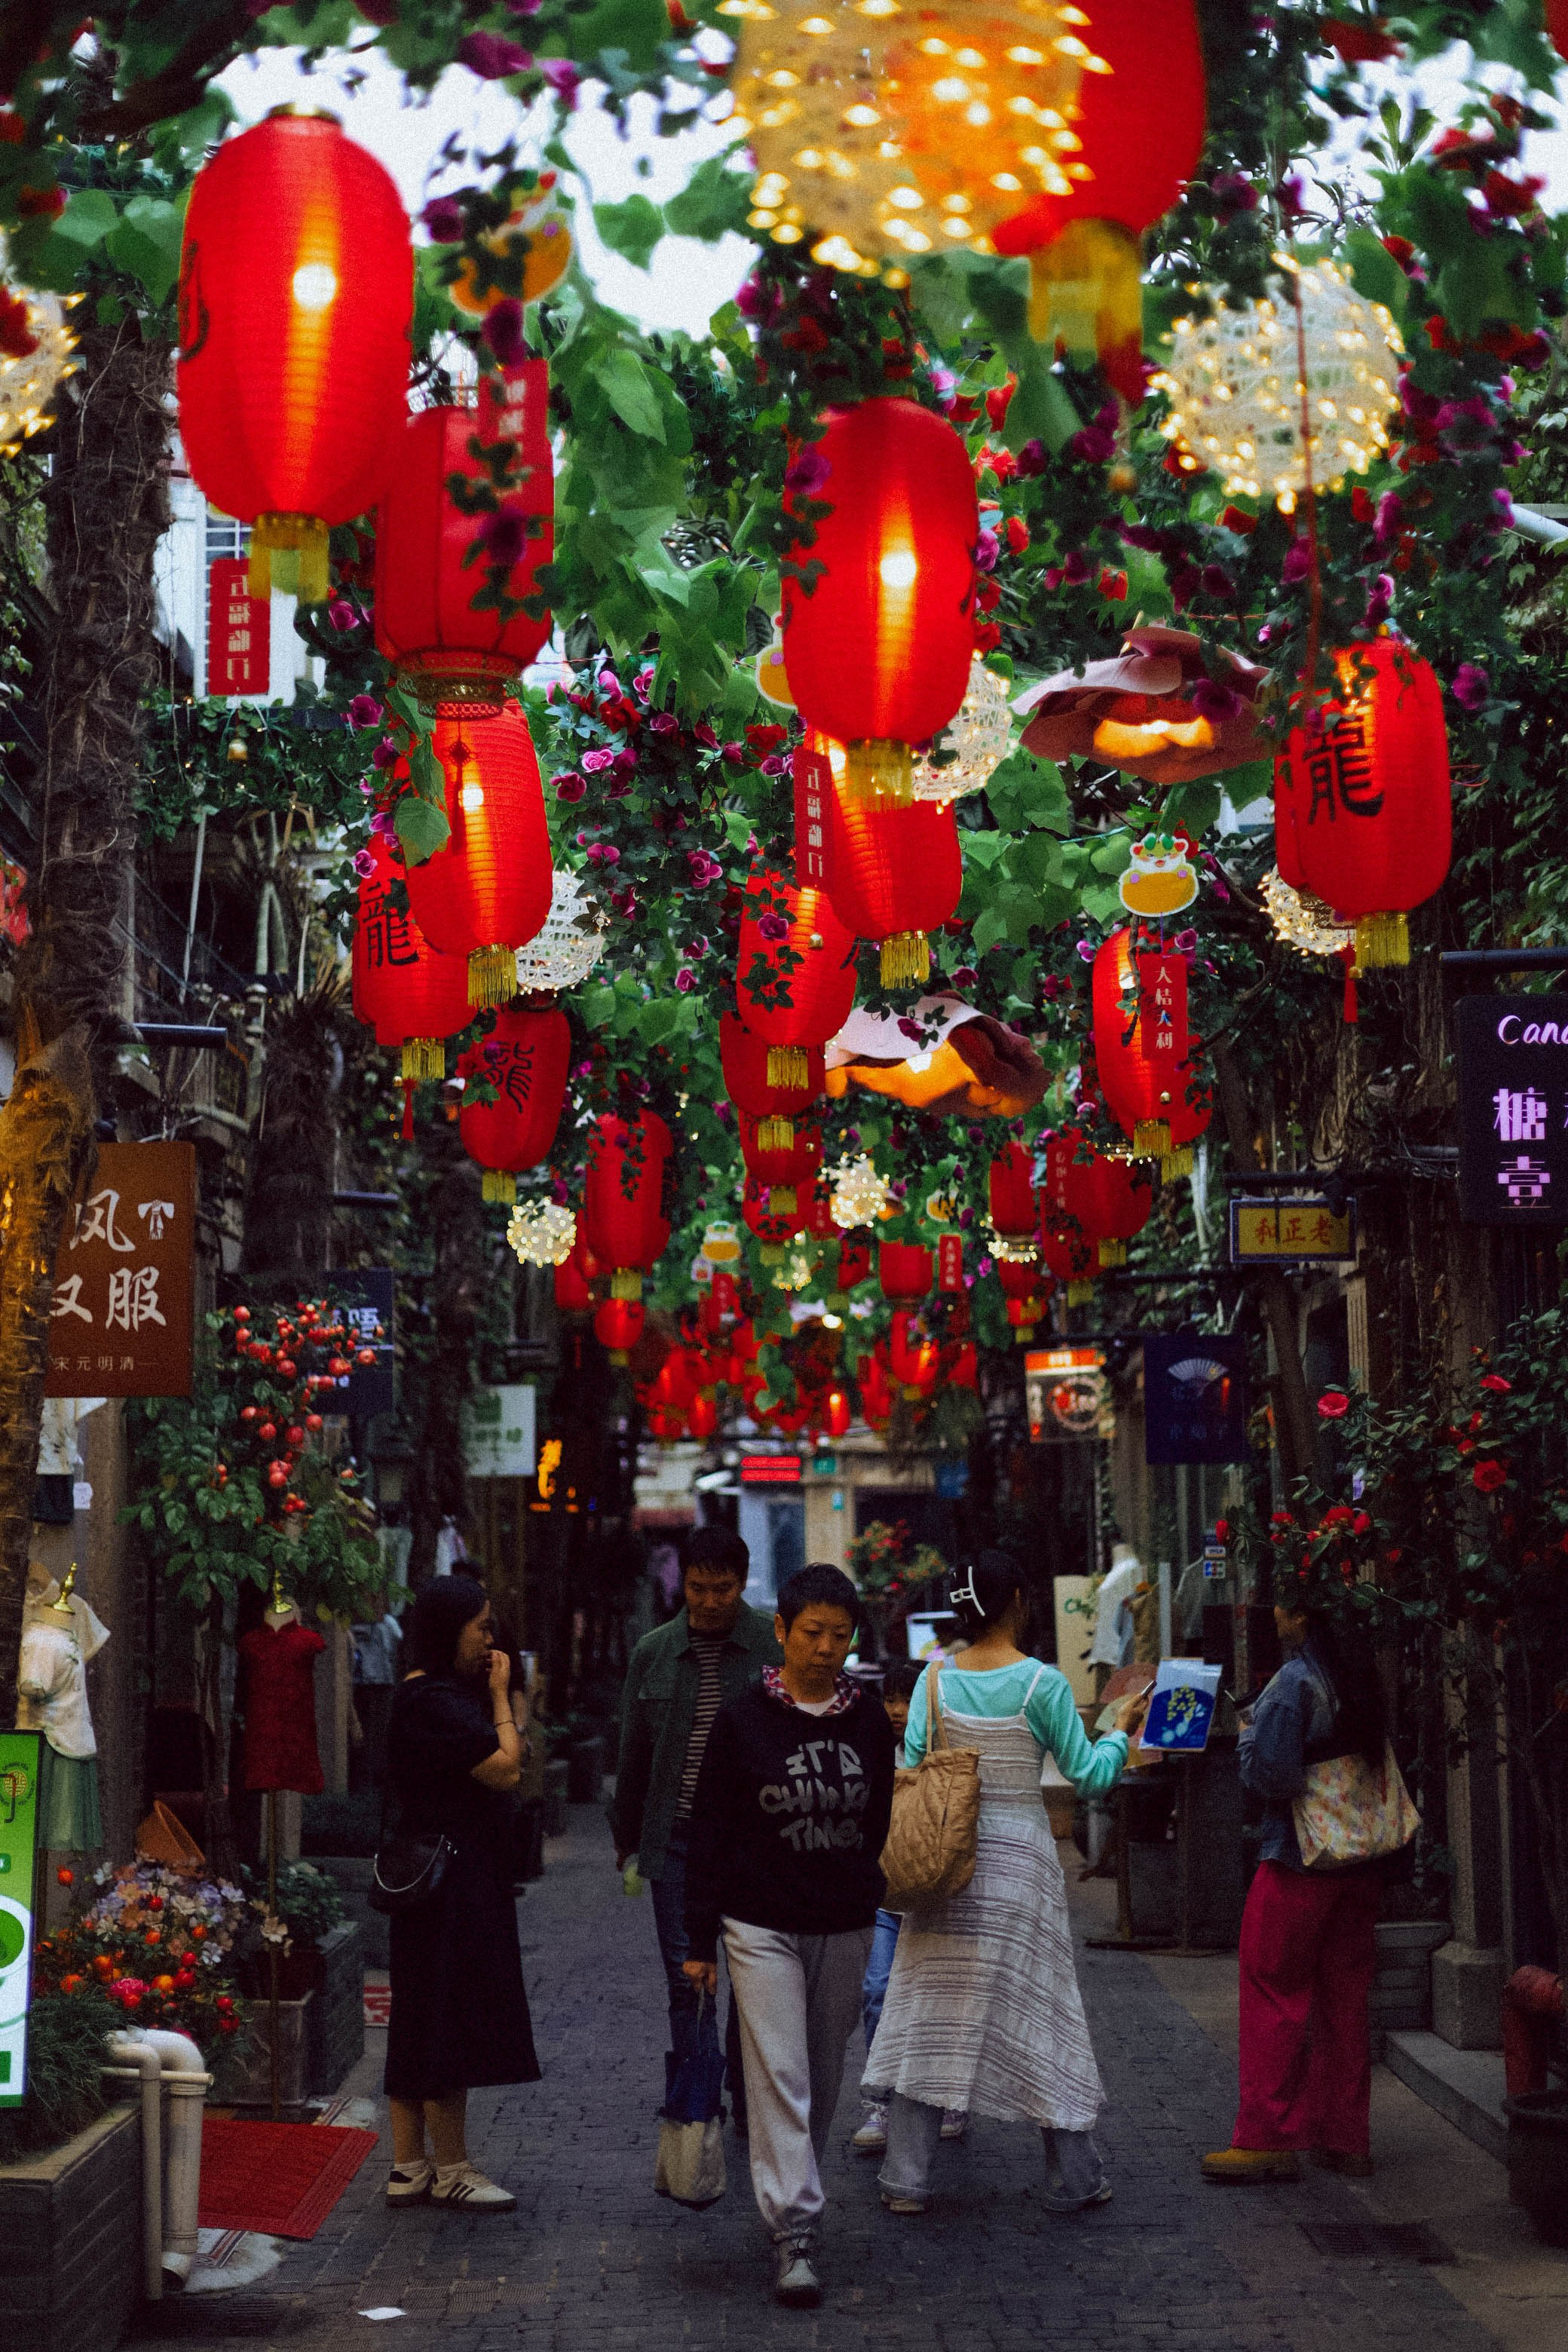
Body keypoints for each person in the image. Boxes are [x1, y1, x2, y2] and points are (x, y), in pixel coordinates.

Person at [865, 1550, 1147, 2219]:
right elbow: (1091, 1776)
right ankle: (1076, 2176)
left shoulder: (932, 1683)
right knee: (1041, 2012)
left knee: (927, 2007)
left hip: (947, 1867)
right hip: (1020, 1867)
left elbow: (912, 1766)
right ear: (1019, 1600)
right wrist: (1120, 1732)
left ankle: (906, 2176)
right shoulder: (1041, 1685)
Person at [684, 1563, 896, 2308]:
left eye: (840, 1635)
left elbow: (876, 1822)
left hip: (841, 1918)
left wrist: (857, 1886)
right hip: (758, 1920)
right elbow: (708, 1830)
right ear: (780, 1632)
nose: (825, 1648)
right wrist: (696, 1936)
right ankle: (795, 2230)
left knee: (823, 2069)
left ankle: (794, 2184)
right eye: (811, 1633)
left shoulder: (867, 1719)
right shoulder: (743, 1721)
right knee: (779, 2069)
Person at [1202, 1596, 1391, 2185]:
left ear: (1305, 1614)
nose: (1274, 1611)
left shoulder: (1293, 1681)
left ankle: (1267, 2137)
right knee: (1344, 1998)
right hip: (1357, 1859)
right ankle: (1344, 2135)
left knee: (1273, 1991)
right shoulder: (1356, 1674)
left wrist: (1245, 1734)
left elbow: (1272, 1776)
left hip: (1299, 1856)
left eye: (1284, 1602)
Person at [609, 1525, 779, 2130]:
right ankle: (701, 2099)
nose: (709, 1602)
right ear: (683, 1581)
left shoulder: (771, 1645)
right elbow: (632, 1752)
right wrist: (627, 1836)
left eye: (724, 1590)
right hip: (677, 1839)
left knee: (753, 1978)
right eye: (699, 1589)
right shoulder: (654, 1651)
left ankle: (748, 2093)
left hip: (756, 1844)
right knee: (689, 1980)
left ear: (742, 1582)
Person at [383, 1574, 540, 2210]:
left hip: (434, 1880)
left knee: (418, 2011)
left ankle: (408, 2166)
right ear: (449, 1629)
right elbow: (506, 1768)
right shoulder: (436, 1703)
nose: (490, 1637)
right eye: (480, 1625)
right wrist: (503, 1696)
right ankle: (452, 2167)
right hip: (451, 1884)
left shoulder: (429, 1695)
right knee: (446, 2013)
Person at [852, 1661, 966, 2158]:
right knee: (878, 1991)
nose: (898, 1711)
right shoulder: (866, 1750)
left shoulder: (946, 1756)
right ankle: (881, 2102)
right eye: (890, 1700)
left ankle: (949, 2096)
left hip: (934, 1898)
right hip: (881, 1898)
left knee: (941, 2001)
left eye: (908, 1700)